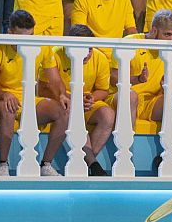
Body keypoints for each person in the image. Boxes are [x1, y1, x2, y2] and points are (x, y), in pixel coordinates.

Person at [0, 10, 69, 176]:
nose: (26, 42)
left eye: (30, 36)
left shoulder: (41, 47)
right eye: (21, 37)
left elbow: (55, 80)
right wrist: (4, 95)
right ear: (10, 33)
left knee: (65, 110)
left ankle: (46, 164)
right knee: (6, 107)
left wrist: (61, 94)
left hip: (31, 100)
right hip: (6, 99)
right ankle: (3, 164)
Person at [38, 24, 115, 176]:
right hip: (62, 101)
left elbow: (103, 90)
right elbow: (44, 88)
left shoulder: (100, 58)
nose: (87, 54)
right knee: (72, 109)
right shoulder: (55, 54)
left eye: (90, 49)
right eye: (83, 49)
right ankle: (93, 164)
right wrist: (73, 99)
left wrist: (91, 98)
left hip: (85, 102)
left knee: (108, 115)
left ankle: (86, 162)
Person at [108, 8, 172, 133]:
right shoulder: (130, 42)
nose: (171, 40)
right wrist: (138, 79)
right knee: (129, 96)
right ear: (153, 30)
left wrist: (165, 89)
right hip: (122, 98)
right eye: (167, 34)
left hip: (150, 102)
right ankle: (126, 150)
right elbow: (113, 78)